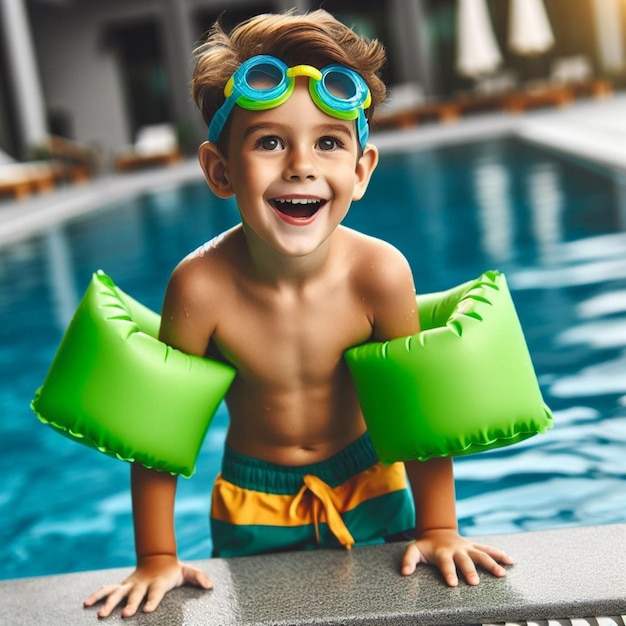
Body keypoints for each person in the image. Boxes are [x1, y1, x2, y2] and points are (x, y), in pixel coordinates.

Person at [84, 10, 513, 619]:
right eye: (269, 141)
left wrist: (439, 527)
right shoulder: (201, 286)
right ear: (220, 170)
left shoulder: (379, 274)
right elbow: (160, 430)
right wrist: (157, 555)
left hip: (373, 484)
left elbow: (417, 413)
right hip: (253, 501)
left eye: (329, 143)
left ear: (360, 171)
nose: (300, 165)